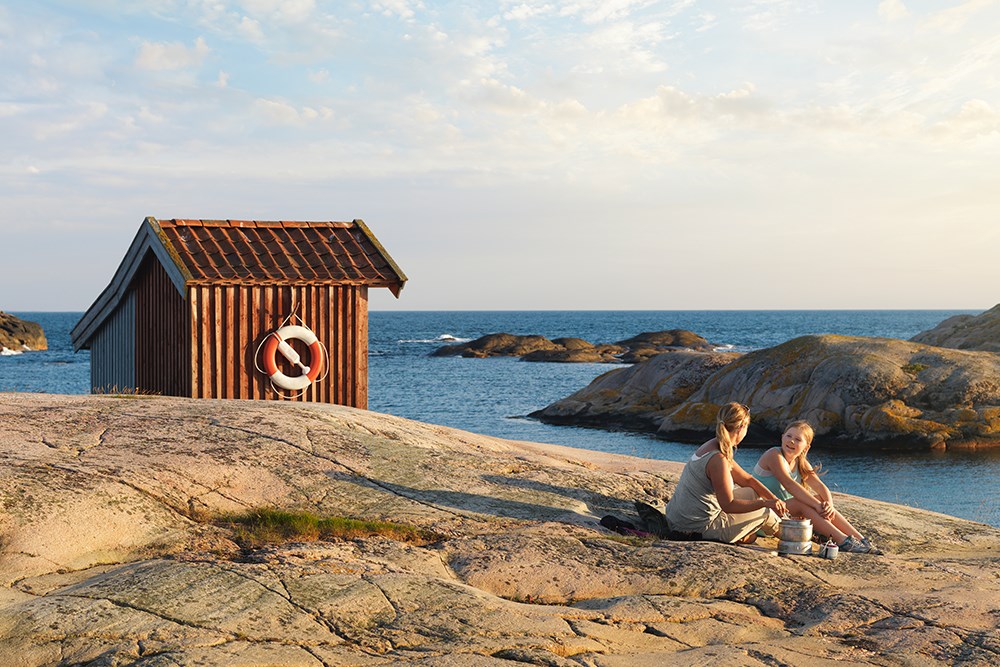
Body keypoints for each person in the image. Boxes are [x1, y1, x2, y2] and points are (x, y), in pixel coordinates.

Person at [662, 402, 787, 544]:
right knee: (765, 513)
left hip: (678, 518)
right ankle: (791, 539)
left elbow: (748, 480)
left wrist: (774, 500)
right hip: (692, 529)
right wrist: (765, 504)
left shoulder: (715, 444)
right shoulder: (718, 459)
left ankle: (747, 533)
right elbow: (728, 505)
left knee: (753, 492)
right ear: (741, 428)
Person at [753, 420, 878, 553]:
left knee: (820, 500)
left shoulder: (801, 463)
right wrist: (818, 506)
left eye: (797, 439)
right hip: (763, 514)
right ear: (782, 437)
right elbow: (789, 484)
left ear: (806, 447)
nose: (791, 441)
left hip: (783, 514)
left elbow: (820, 487)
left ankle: (861, 540)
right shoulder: (774, 454)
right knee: (803, 503)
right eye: (789, 436)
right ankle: (842, 541)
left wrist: (828, 506)